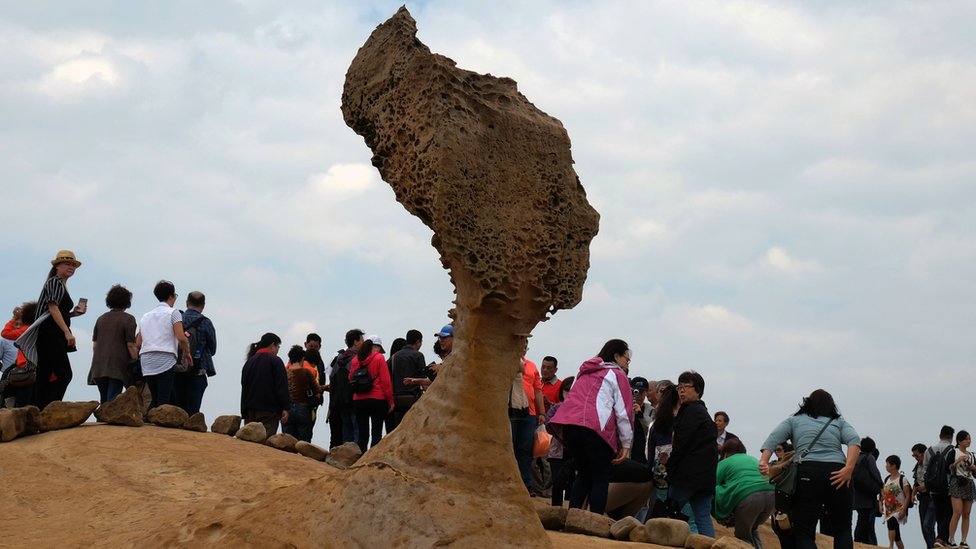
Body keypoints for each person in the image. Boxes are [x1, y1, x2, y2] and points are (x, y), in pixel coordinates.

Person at [759, 389, 862, 549]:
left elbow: (774, 438)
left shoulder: (794, 421)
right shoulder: (838, 422)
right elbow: (854, 441)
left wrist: (764, 460)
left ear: (807, 404)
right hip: (838, 472)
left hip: (807, 472)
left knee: (805, 533)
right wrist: (848, 469)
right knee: (842, 530)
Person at [549, 339, 633, 515]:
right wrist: (626, 444)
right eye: (627, 358)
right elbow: (623, 412)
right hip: (595, 429)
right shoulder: (617, 375)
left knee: (584, 474)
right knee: (600, 477)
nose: (627, 363)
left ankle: (572, 517)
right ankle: (595, 521)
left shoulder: (583, 372)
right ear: (617, 356)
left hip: (570, 426)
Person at [17, 250, 87, 411]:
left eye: (73, 265)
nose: (71, 267)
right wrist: (67, 332)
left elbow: (54, 312)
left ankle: (39, 409)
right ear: (57, 266)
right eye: (67, 264)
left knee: (44, 374)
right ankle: (49, 408)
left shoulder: (59, 284)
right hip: (50, 334)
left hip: (48, 333)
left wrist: (73, 314)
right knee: (64, 374)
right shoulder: (55, 282)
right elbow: (52, 308)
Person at [667, 371, 718, 537]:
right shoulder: (703, 413)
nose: (681, 391)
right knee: (702, 517)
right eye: (679, 387)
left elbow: (681, 444)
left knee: (669, 512)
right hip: (705, 479)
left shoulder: (691, 411)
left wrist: (670, 467)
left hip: (687, 477)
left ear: (697, 391)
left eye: (686, 387)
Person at [135, 280, 192, 410]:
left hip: (146, 360)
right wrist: (187, 353)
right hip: (165, 358)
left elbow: (138, 342)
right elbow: (181, 337)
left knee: (155, 397)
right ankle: (159, 426)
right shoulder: (174, 313)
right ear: (171, 296)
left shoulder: (145, 316)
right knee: (163, 398)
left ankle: (148, 421)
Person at [713, 437, 776, 549]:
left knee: (742, 537)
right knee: (752, 528)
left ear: (725, 453)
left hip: (749, 497)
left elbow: (712, 484)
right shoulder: (753, 459)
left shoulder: (724, 462)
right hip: (772, 496)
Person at [86, 285, 138, 403]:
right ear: (127, 301)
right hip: (117, 366)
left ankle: (101, 419)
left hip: (98, 366)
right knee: (113, 399)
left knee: (104, 399)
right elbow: (130, 344)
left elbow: (95, 345)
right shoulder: (129, 319)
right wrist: (136, 360)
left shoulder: (101, 319)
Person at [172, 291, 216, 415]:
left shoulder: (177, 320)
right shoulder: (206, 323)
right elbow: (213, 349)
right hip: (197, 370)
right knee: (193, 412)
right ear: (203, 305)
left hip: (177, 368)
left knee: (178, 409)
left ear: (187, 303)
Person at [349, 336, 393, 453]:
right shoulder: (379, 358)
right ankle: (372, 459)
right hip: (377, 399)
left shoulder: (355, 360)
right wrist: (391, 401)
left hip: (358, 399)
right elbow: (386, 381)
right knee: (376, 433)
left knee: (363, 433)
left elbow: (350, 378)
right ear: (375, 347)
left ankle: (360, 459)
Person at [240, 333, 288, 437]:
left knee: (249, 444)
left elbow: (244, 387)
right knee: (264, 442)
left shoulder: (249, 362)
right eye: (278, 347)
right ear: (272, 345)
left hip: (250, 410)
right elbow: (281, 387)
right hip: (269, 410)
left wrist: (244, 411)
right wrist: (285, 407)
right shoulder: (276, 361)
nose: (278, 350)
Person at [512, 351, 545, 493]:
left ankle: (526, 484)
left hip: (529, 413)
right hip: (510, 411)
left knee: (526, 449)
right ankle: (511, 483)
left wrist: (542, 412)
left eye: (525, 344)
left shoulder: (531, 366)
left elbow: (538, 390)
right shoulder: (506, 361)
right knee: (510, 447)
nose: (522, 346)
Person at [327, 329, 363, 448]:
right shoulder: (357, 359)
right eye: (361, 339)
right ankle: (356, 459)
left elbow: (332, 378)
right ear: (355, 342)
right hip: (354, 400)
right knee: (357, 431)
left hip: (340, 401)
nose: (363, 342)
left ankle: (345, 458)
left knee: (346, 432)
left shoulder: (338, 358)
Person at [545, 376, 574, 507]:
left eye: (572, 390)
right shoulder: (556, 408)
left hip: (574, 452)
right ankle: (556, 511)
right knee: (557, 482)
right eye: (566, 390)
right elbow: (548, 424)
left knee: (572, 483)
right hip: (557, 452)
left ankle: (570, 512)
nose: (569, 393)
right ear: (562, 391)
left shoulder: (582, 409)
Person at [926, 425, 957, 548]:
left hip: (933, 487)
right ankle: (940, 539)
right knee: (949, 513)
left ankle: (941, 540)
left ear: (940, 435)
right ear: (951, 437)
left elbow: (925, 469)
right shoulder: (952, 450)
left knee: (939, 515)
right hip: (948, 486)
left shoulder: (929, 450)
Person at [283, 345, 322, 442]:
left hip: (287, 409)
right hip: (303, 408)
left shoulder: (284, 372)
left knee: (288, 441)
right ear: (302, 358)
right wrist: (325, 387)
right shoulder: (306, 372)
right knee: (303, 442)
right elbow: (316, 389)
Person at [1, 302, 37, 407]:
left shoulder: (25, 331)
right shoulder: (36, 329)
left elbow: (5, 333)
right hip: (30, 370)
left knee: (20, 402)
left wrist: (14, 318)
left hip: (24, 371)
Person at [390, 329, 427, 429]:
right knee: (413, 428)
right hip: (412, 399)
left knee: (398, 428)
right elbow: (422, 376)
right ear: (418, 341)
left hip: (397, 399)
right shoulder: (418, 355)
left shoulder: (395, 356)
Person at [853, 436, 884, 545]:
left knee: (861, 518)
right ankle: (859, 542)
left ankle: (859, 541)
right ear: (872, 448)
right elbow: (874, 472)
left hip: (857, 493)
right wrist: (881, 485)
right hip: (867, 494)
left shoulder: (856, 457)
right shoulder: (869, 457)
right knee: (864, 519)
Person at [948, 430, 976, 548]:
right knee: (957, 512)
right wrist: (957, 462)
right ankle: (951, 539)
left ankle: (963, 540)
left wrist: (973, 467)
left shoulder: (972, 454)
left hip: (969, 482)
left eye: (969, 439)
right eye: (966, 439)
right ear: (959, 440)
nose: (968, 441)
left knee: (967, 513)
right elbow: (948, 469)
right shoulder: (953, 452)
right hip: (957, 481)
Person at [880, 454, 912, 549]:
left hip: (899, 508)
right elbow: (882, 493)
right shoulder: (886, 479)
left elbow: (907, 495)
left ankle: (890, 546)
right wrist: (880, 504)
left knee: (892, 522)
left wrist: (904, 510)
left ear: (893, 465)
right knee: (896, 535)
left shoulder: (903, 479)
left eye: (887, 464)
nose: (886, 466)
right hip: (889, 509)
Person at [913, 442, 937, 548]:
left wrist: (926, 486)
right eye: (913, 455)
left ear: (924, 454)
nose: (915, 458)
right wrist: (912, 495)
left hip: (932, 497)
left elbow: (936, 480)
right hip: (922, 498)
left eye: (917, 455)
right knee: (924, 526)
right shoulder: (917, 466)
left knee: (928, 525)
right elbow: (916, 482)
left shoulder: (932, 465)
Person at [630, 377, 652, 465]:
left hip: (643, 452)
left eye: (641, 392)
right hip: (628, 451)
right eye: (635, 391)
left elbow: (651, 429)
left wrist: (640, 414)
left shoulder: (651, 410)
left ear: (646, 393)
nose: (637, 395)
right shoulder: (623, 408)